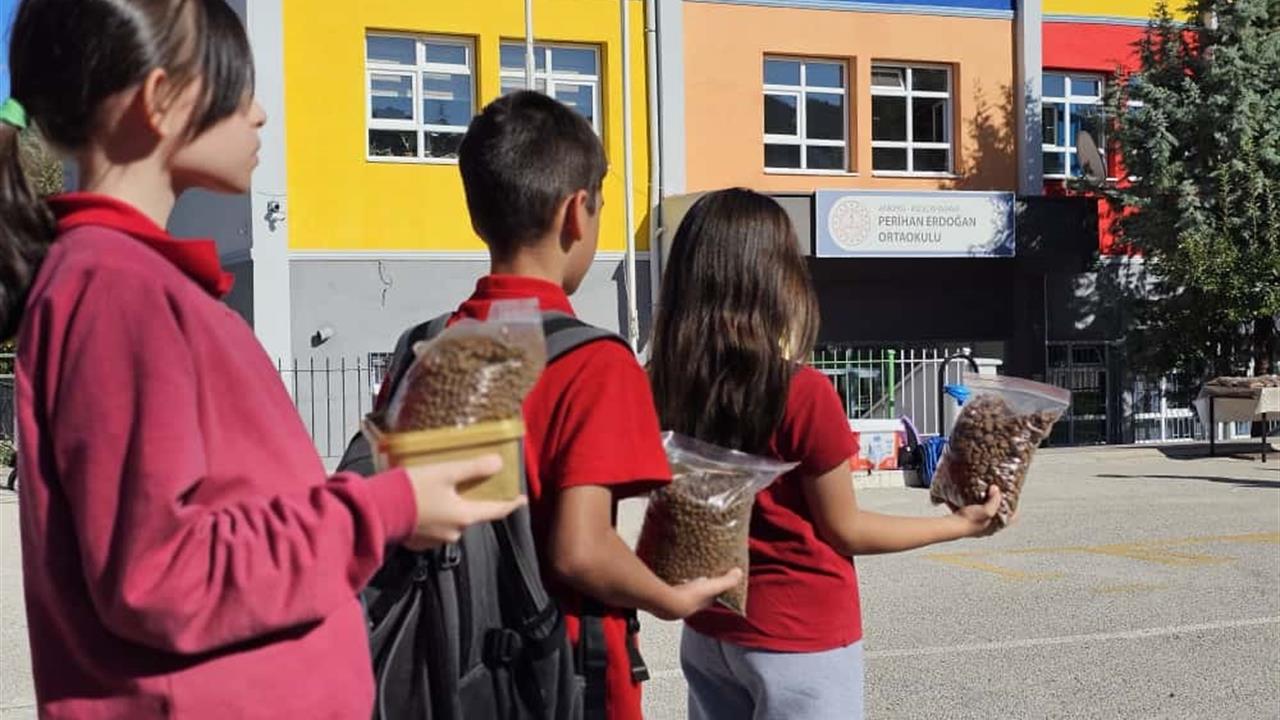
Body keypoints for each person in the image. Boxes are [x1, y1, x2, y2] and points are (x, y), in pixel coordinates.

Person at [0, 1, 522, 717]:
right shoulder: (117, 289)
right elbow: (162, 573)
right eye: (238, 85)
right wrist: (387, 507)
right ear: (160, 100)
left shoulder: (136, 284)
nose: (259, 114)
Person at [648, 188, 1004, 720]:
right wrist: (960, 526)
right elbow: (845, 528)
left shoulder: (664, 385)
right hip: (798, 635)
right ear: (773, 280)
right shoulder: (802, 392)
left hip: (709, 628)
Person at [446, 90, 741, 720]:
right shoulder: (592, 363)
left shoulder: (430, 347)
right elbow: (580, 549)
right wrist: (670, 597)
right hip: (561, 678)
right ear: (576, 213)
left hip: (451, 667)